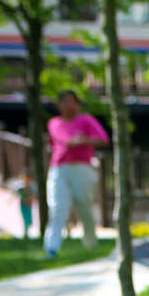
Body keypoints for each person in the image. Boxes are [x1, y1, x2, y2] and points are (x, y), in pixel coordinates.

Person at [43, 89, 108, 258]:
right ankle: (52, 247)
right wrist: (79, 140)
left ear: (78, 104)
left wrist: (83, 140)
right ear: (59, 105)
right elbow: (66, 140)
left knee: (84, 205)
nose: (69, 105)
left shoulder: (86, 120)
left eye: (72, 101)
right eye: (64, 101)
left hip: (82, 167)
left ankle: (90, 243)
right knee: (57, 207)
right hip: (59, 168)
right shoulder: (55, 123)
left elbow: (103, 138)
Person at [10, 175, 35, 240]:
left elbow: (32, 197)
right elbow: (14, 193)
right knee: (25, 220)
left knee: (29, 221)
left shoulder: (31, 189)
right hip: (23, 206)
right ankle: (25, 234)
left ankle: (26, 233)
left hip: (29, 206)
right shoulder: (21, 189)